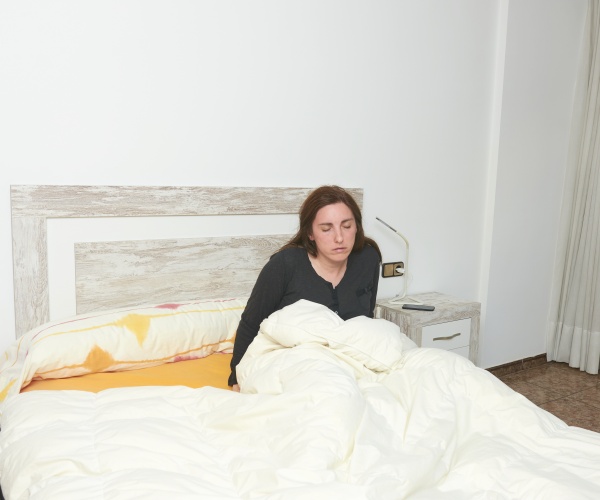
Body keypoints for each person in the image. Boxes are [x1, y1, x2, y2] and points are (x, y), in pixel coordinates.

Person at [228, 185, 382, 390]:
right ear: (310, 233)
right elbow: (251, 323)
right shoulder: (285, 265)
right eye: (326, 229)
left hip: (351, 366)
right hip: (295, 367)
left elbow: (366, 320)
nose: (339, 237)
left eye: (346, 226)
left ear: (357, 227)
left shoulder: (368, 259)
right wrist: (237, 376)